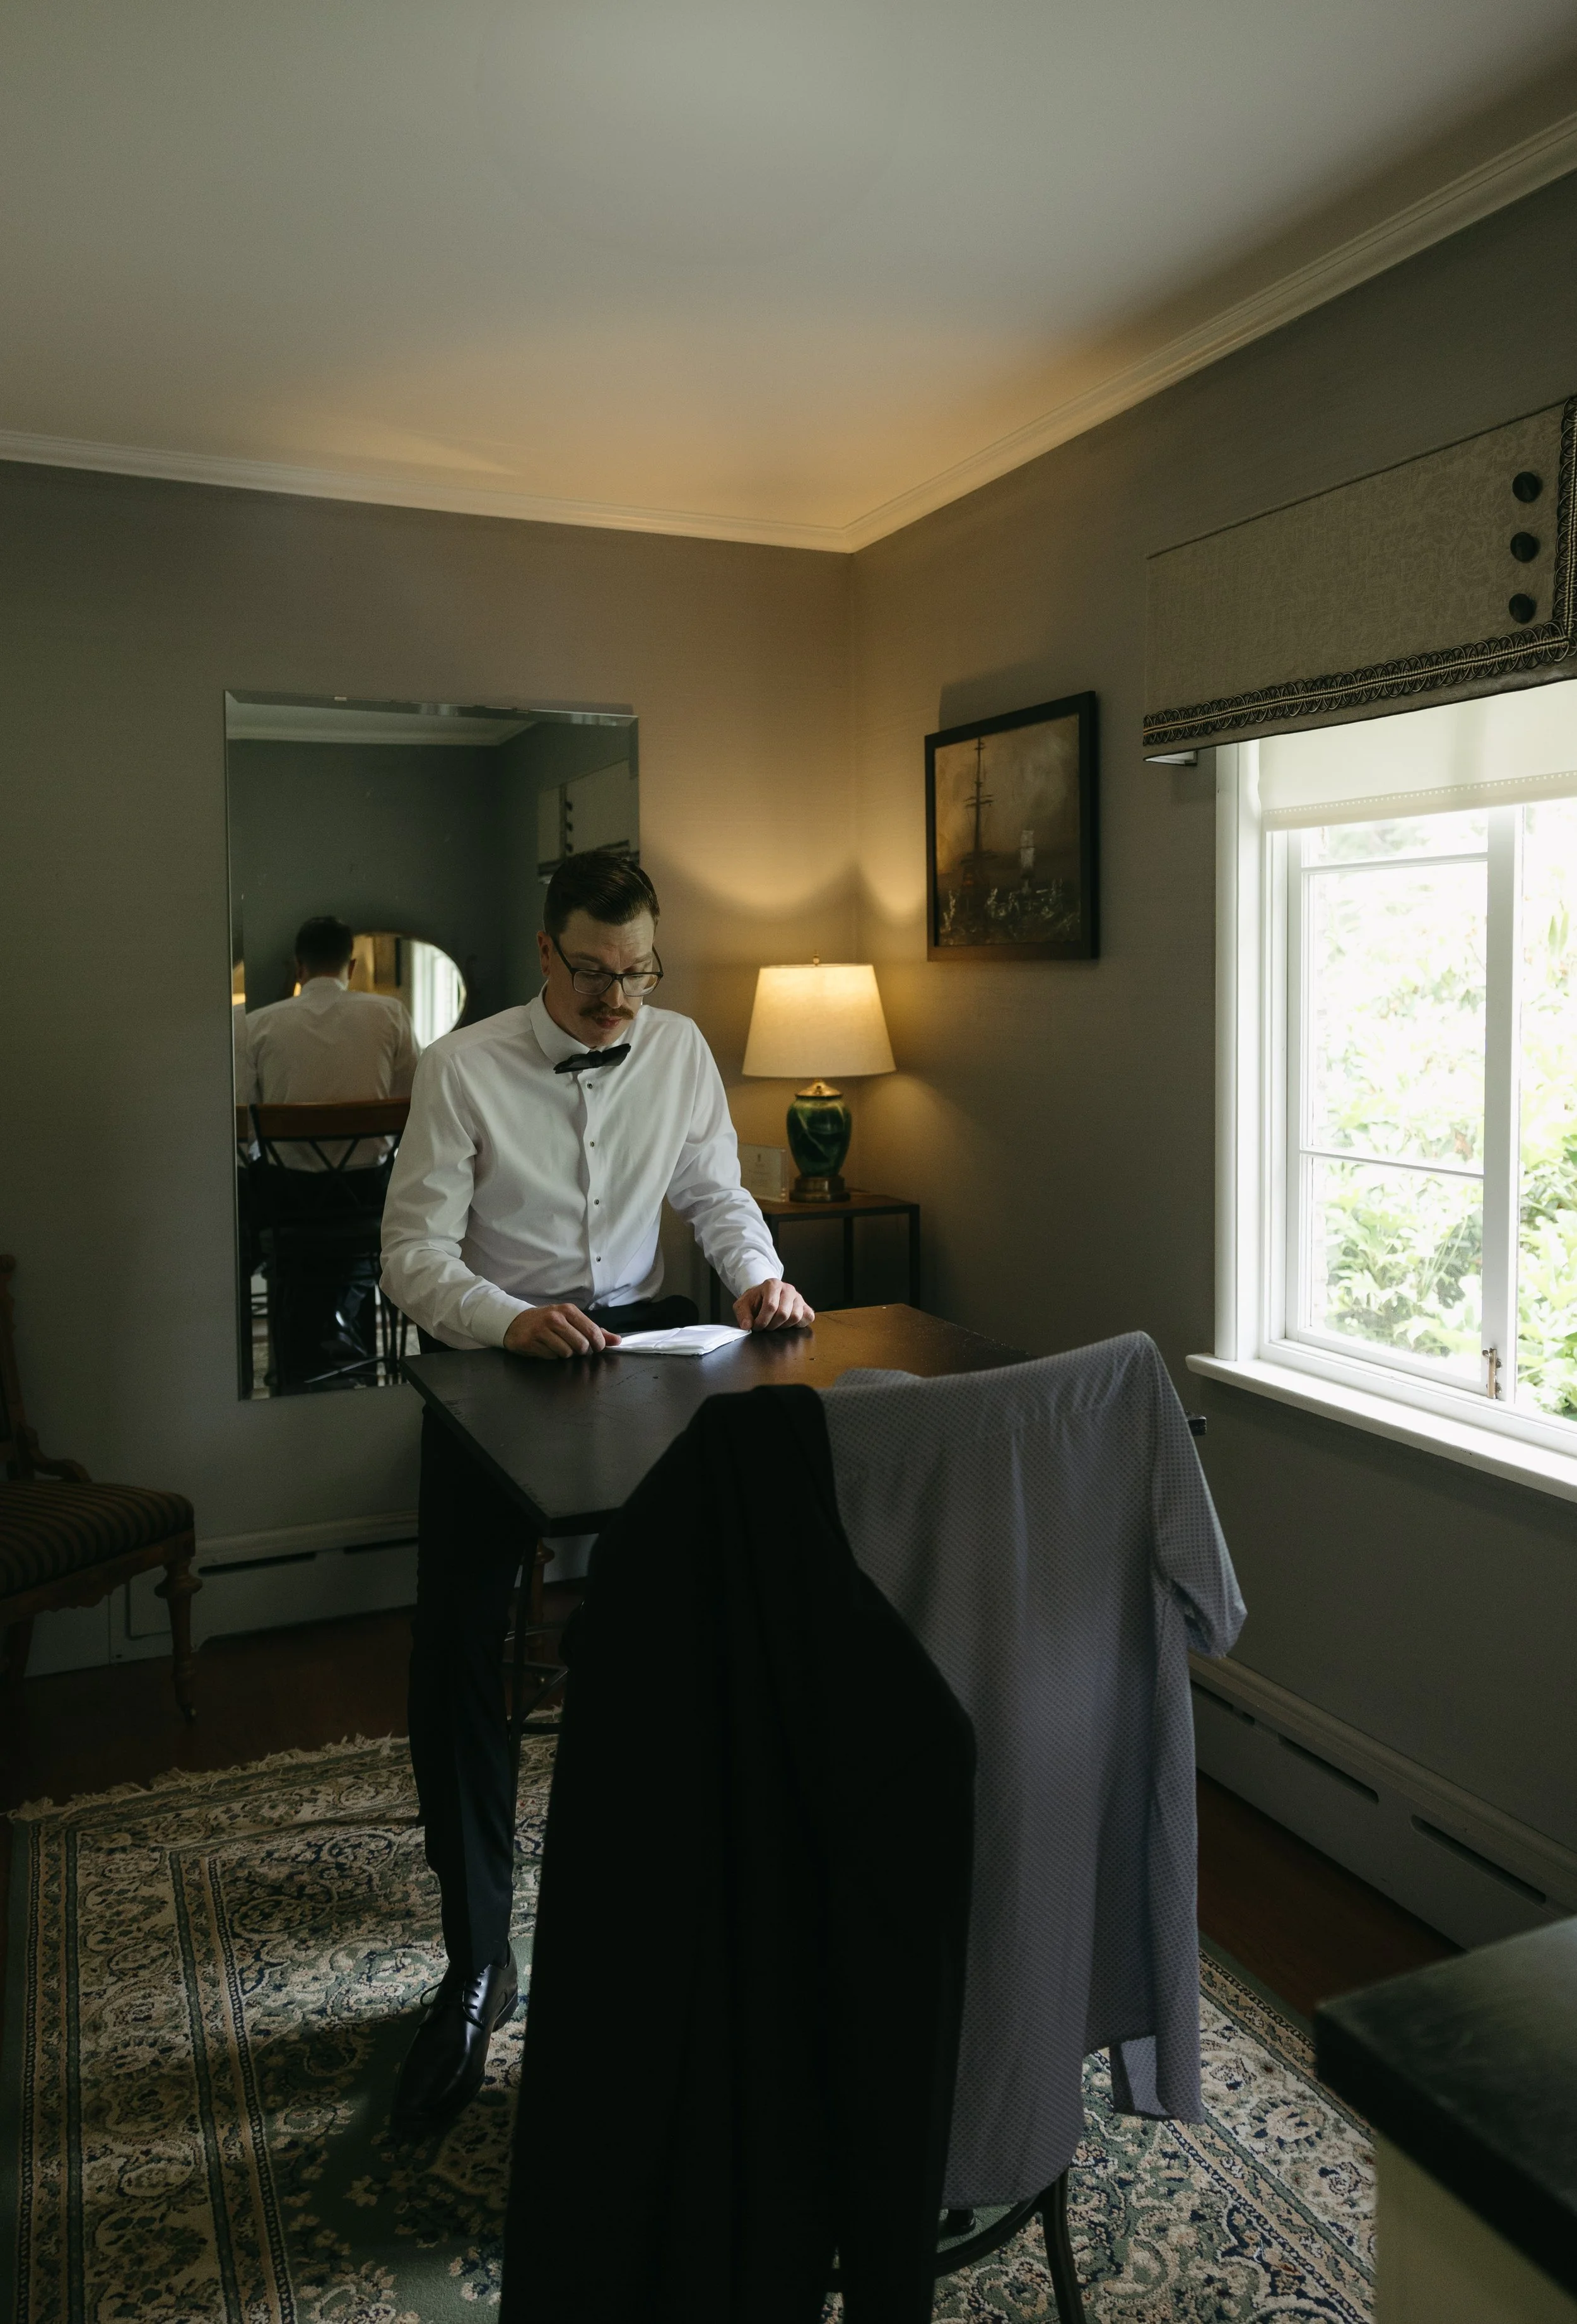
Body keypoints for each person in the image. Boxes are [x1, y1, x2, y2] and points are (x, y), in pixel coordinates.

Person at [378, 850, 813, 2137]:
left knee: (692, 1613)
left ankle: (674, 1920)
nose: (617, 1001)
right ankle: (475, 1964)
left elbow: (714, 1193)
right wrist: (508, 1322)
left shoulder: (677, 1050)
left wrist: (758, 1276)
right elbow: (408, 1254)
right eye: (593, 975)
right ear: (544, 952)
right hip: (492, 1350)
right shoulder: (462, 1068)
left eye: (637, 974)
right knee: (453, 1641)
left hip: (643, 1348)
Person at [240, 915, 421, 1385]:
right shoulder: (390, 1017)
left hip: (288, 1210)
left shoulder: (256, 1026)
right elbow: (413, 1110)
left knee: (247, 1195)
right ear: (353, 965)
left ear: (298, 966)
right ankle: (363, 1356)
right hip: (368, 1205)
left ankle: (291, 1363)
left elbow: (241, 1126)